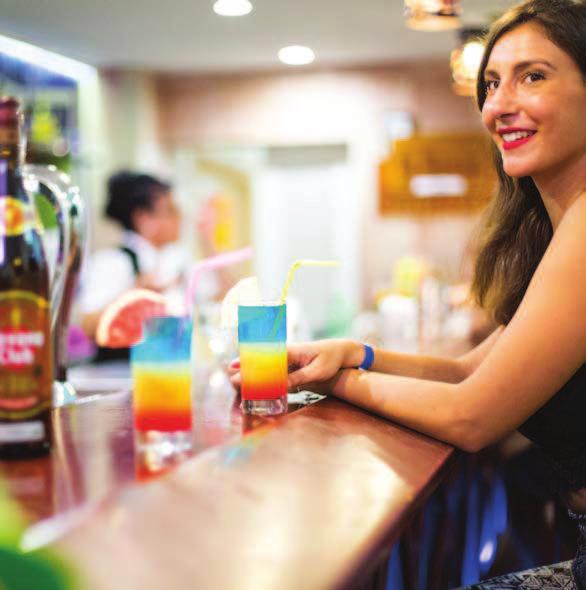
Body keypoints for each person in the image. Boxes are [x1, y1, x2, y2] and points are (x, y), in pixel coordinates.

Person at [230, 0, 586, 586]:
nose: (499, 105)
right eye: (492, 83)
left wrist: (335, 381)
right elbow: (467, 372)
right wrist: (354, 353)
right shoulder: (559, 235)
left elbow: (472, 416)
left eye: (534, 76)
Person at [79, 171, 185, 361]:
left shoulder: (174, 262)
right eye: (170, 211)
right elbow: (89, 326)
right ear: (144, 219)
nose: (180, 218)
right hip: (120, 377)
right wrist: (134, 295)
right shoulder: (113, 262)